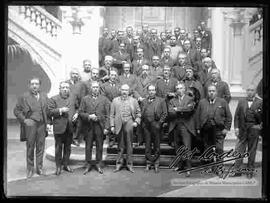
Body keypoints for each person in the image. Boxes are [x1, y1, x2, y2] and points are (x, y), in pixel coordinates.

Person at [14, 77, 49, 178]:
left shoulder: (44, 96)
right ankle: (30, 169)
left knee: (41, 147)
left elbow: (47, 110)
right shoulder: (24, 97)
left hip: (42, 125)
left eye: (37, 84)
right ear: (29, 85)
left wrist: (49, 122)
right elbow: (16, 111)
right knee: (30, 147)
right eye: (32, 84)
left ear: (39, 86)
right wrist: (24, 120)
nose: (34, 86)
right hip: (31, 125)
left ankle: (39, 168)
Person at [196, 85, 232, 177]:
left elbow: (229, 116)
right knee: (208, 149)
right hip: (206, 129)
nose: (211, 93)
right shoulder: (202, 102)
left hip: (219, 130)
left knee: (219, 149)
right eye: (209, 91)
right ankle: (210, 167)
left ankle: (219, 168)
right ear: (207, 92)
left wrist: (226, 129)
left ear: (216, 92)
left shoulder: (222, 102)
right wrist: (198, 128)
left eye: (213, 91)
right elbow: (197, 116)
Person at [231, 84, 262, 179]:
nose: (249, 92)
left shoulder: (260, 102)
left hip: (254, 130)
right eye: (248, 90)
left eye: (252, 90)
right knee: (239, 150)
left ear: (255, 92)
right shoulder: (241, 101)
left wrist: (259, 128)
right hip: (242, 130)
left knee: (252, 151)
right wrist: (236, 128)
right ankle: (237, 171)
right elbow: (236, 116)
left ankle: (249, 171)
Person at [79, 81, 111, 175]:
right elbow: (81, 112)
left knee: (99, 146)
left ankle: (98, 163)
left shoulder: (104, 99)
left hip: (99, 126)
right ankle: (88, 163)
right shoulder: (85, 99)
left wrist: (106, 127)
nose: (95, 89)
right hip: (88, 126)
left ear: (99, 88)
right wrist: (89, 116)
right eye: (93, 87)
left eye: (97, 87)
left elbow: (108, 115)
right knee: (88, 146)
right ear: (91, 88)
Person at [110, 84, 141, 173]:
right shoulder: (115, 100)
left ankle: (129, 164)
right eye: (123, 90)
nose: (124, 92)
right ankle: (119, 164)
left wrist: (136, 122)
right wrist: (112, 125)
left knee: (129, 145)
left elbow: (139, 113)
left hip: (129, 122)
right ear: (120, 90)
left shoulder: (134, 101)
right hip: (119, 123)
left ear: (129, 91)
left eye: (126, 90)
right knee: (120, 145)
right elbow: (112, 115)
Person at [168, 82, 196, 176]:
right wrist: (181, 109)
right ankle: (180, 165)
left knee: (186, 147)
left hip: (186, 126)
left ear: (184, 89)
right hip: (176, 126)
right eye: (177, 89)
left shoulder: (190, 99)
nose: (179, 90)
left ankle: (188, 167)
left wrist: (178, 109)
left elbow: (189, 109)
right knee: (178, 147)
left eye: (181, 88)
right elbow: (170, 111)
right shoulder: (172, 100)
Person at [47, 81, 74, 175]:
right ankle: (58, 167)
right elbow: (49, 112)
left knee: (68, 147)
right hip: (59, 127)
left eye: (67, 87)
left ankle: (66, 165)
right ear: (60, 89)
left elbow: (78, 107)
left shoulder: (73, 98)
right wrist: (60, 110)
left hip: (70, 127)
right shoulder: (53, 99)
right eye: (63, 87)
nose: (65, 89)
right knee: (58, 148)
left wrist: (77, 113)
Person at [70, 68, 101, 146]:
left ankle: (94, 139)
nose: (95, 75)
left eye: (97, 74)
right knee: (80, 119)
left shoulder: (101, 83)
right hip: (87, 104)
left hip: (97, 104)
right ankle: (75, 138)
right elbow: (83, 96)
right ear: (91, 74)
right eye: (94, 73)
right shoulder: (85, 83)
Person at [140, 85, 167, 173]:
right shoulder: (144, 101)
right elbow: (141, 113)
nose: (151, 92)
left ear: (155, 91)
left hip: (156, 125)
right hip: (146, 126)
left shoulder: (161, 100)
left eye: (153, 90)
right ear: (147, 91)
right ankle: (148, 163)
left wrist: (159, 123)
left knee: (157, 145)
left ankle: (156, 163)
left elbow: (165, 113)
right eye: (150, 90)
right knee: (147, 145)